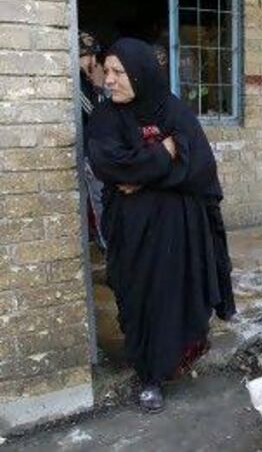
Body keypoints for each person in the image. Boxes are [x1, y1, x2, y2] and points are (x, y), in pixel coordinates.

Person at [88, 38, 236, 412]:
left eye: (118, 72)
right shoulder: (106, 118)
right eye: (106, 71)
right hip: (132, 233)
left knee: (175, 294)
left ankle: (167, 365)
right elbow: (110, 165)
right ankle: (148, 372)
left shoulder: (173, 110)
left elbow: (200, 166)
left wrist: (143, 174)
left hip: (179, 231)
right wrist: (165, 153)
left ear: (140, 73)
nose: (109, 80)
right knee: (138, 296)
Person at [78, 30, 107, 249]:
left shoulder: (86, 80)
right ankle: (107, 246)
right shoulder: (77, 85)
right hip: (90, 155)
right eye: (89, 56)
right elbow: (99, 118)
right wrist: (98, 87)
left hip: (101, 152)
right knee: (100, 204)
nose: (94, 62)